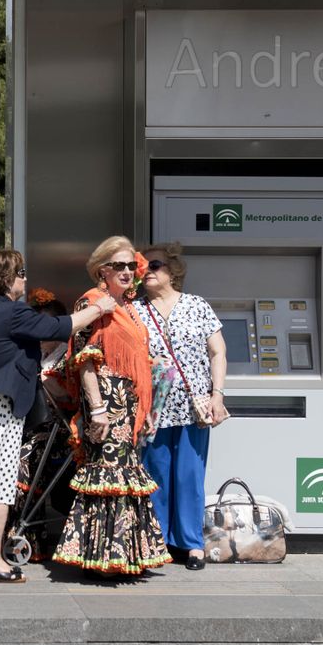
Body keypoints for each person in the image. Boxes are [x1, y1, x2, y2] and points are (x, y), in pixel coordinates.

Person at [0, 248, 113, 584]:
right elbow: (59, 325)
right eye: (21, 273)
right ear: (8, 279)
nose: (25, 278)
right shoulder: (11, 313)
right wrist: (99, 308)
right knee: (0, 486)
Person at [52, 237, 169, 578]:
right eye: (119, 266)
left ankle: (118, 556)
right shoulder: (93, 302)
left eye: (132, 265)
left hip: (129, 404)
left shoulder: (129, 307)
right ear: (102, 270)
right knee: (108, 476)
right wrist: (98, 409)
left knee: (123, 476)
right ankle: (104, 559)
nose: (128, 271)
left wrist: (146, 410)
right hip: (105, 402)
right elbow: (84, 361)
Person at [134, 243, 229, 572]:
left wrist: (218, 394)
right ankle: (156, 541)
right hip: (153, 407)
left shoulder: (197, 306)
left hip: (194, 405)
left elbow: (218, 352)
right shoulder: (135, 310)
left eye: (153, 264)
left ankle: (191, 543)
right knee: (155, 473)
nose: (145, 270)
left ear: (172, 270)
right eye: (140, 265)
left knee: (189, 474)